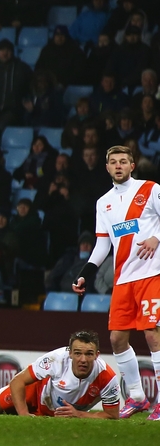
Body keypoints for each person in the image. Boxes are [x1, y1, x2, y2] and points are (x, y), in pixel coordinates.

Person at [72, 145, 160, 420]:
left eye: (124, 161)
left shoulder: (151, 189)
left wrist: (157, 239)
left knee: (152, 334)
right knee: (117, 339)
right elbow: (102, 245)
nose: (119, 165)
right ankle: (137, 397)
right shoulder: (104, 202)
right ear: (107, 168)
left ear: (132, 166)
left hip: (151, 273)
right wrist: (86, 271)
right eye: (113, 162)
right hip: (123, 279)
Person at [0, 330, 119, 419]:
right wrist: (24, 415)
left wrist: (79, 415)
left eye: (88, 354)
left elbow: (112, 415)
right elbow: (18, 381)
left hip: (49, 412)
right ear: (70, 353)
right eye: (78, 353)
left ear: (97, 355)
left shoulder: (107, 378)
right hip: (33, 392)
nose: (83, 359)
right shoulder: (56, 360)